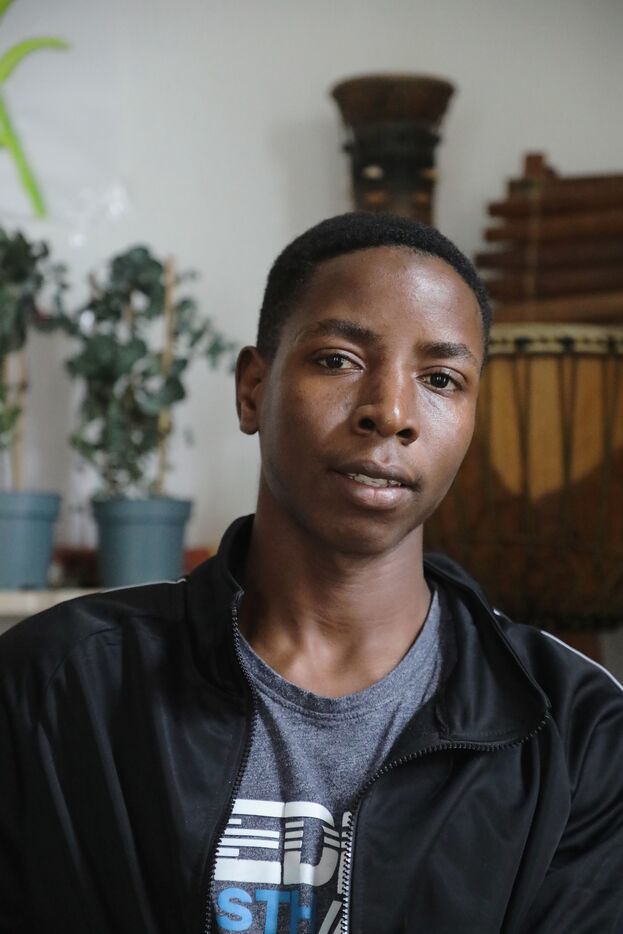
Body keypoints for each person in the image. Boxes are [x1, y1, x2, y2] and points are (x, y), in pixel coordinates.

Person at [1, 212, 622, 934]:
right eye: (337, 360)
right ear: (252, 390)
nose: (391, 412)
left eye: (441, 379)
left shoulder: (577, 732)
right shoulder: (55, 685)